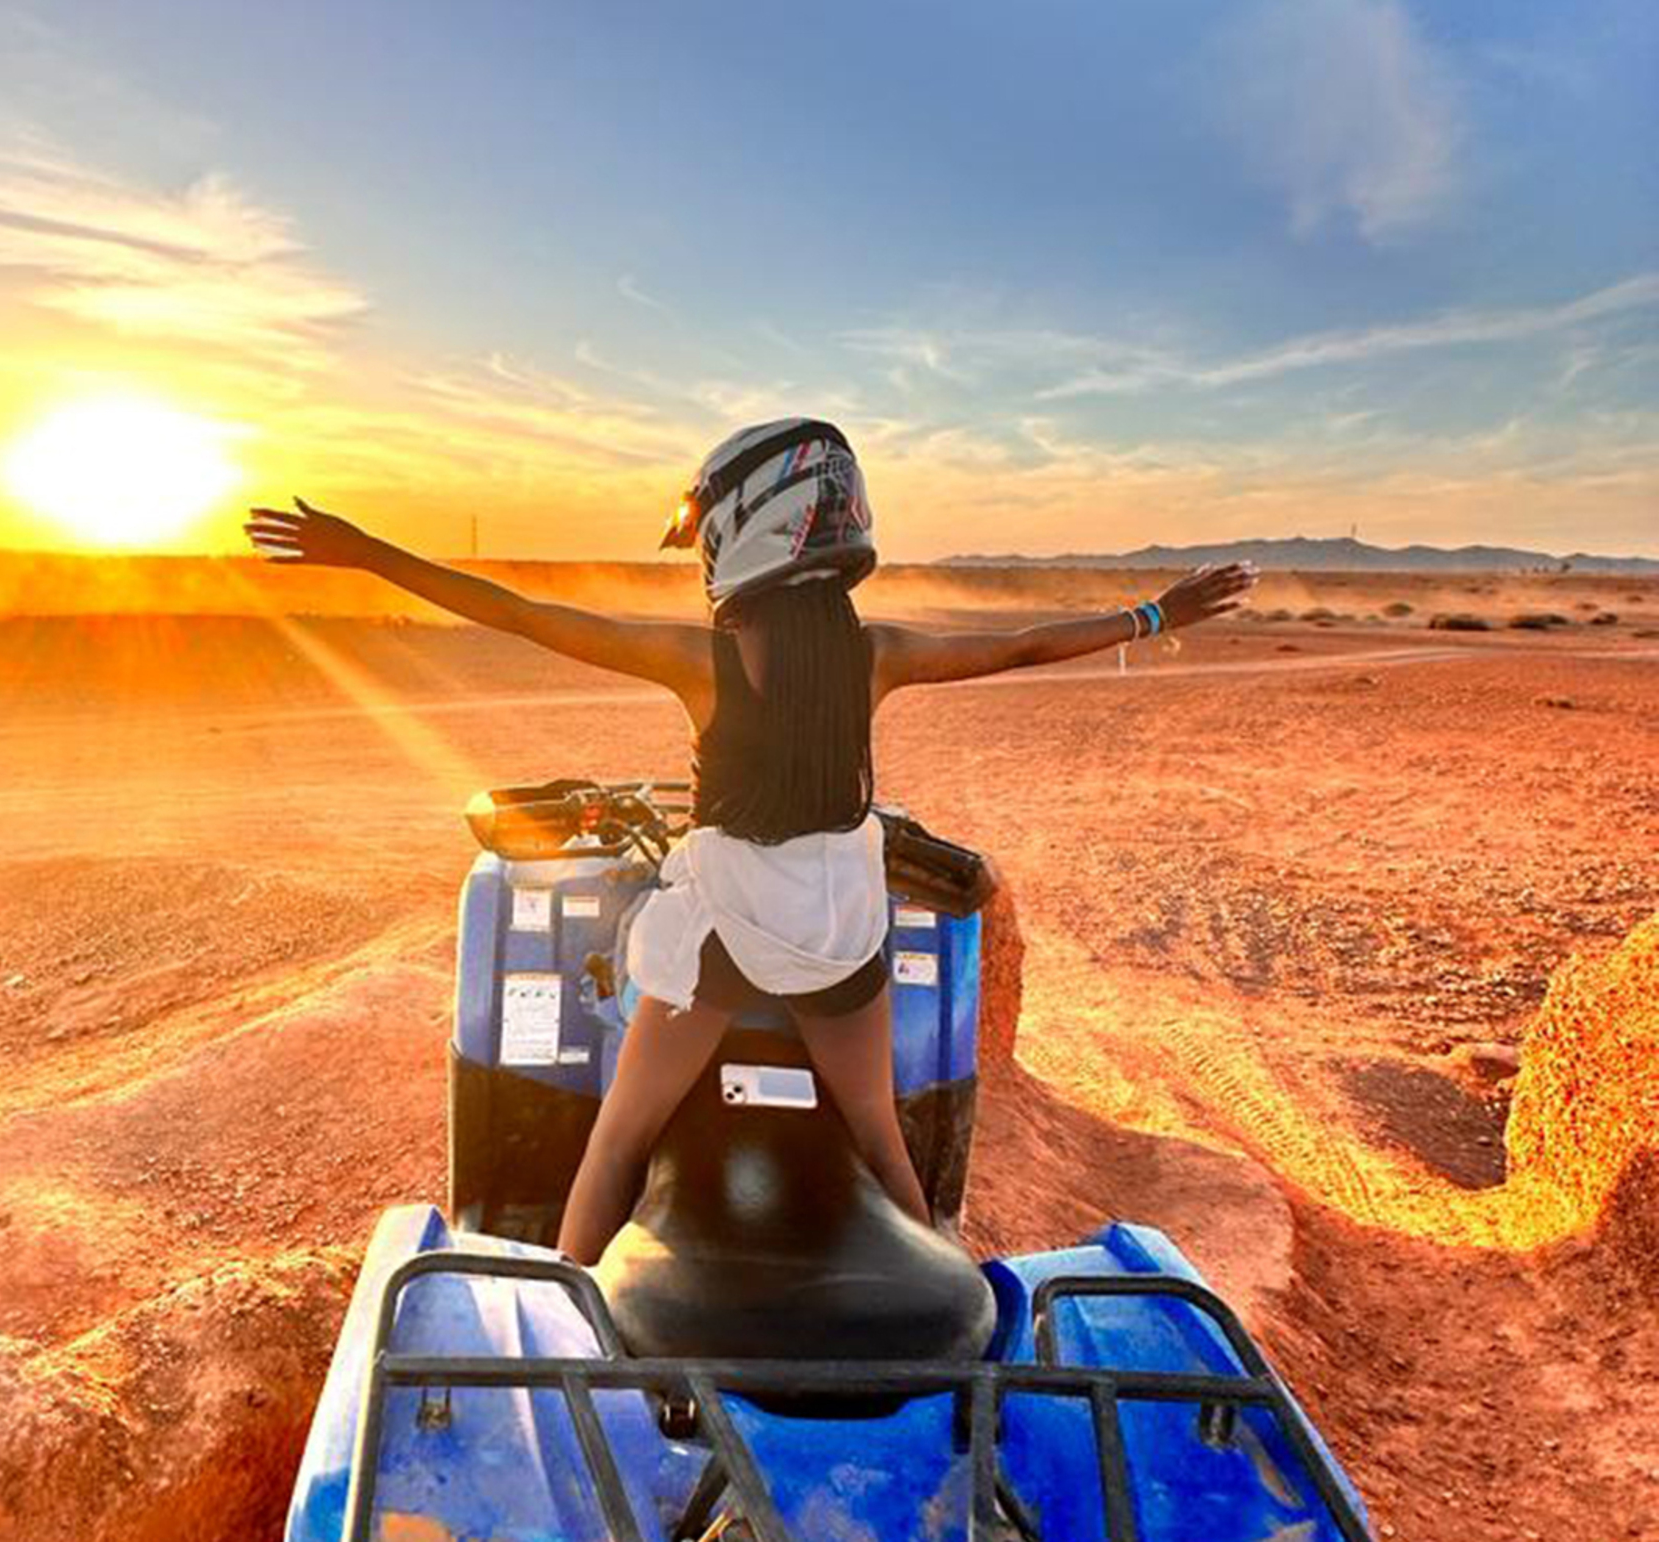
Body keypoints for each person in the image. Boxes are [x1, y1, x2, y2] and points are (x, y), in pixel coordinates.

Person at [245, 418, 1255, 1264]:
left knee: (617, 1140)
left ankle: (566, 1331)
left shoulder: (702, 661)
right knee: (884, 1143)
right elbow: (1029, 644)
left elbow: (521, 614)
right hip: (840, 930)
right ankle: (950, 1311)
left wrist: (364, 550)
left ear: (744, 530)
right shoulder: (877, 656)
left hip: (727, 932)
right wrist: (1156, 612)